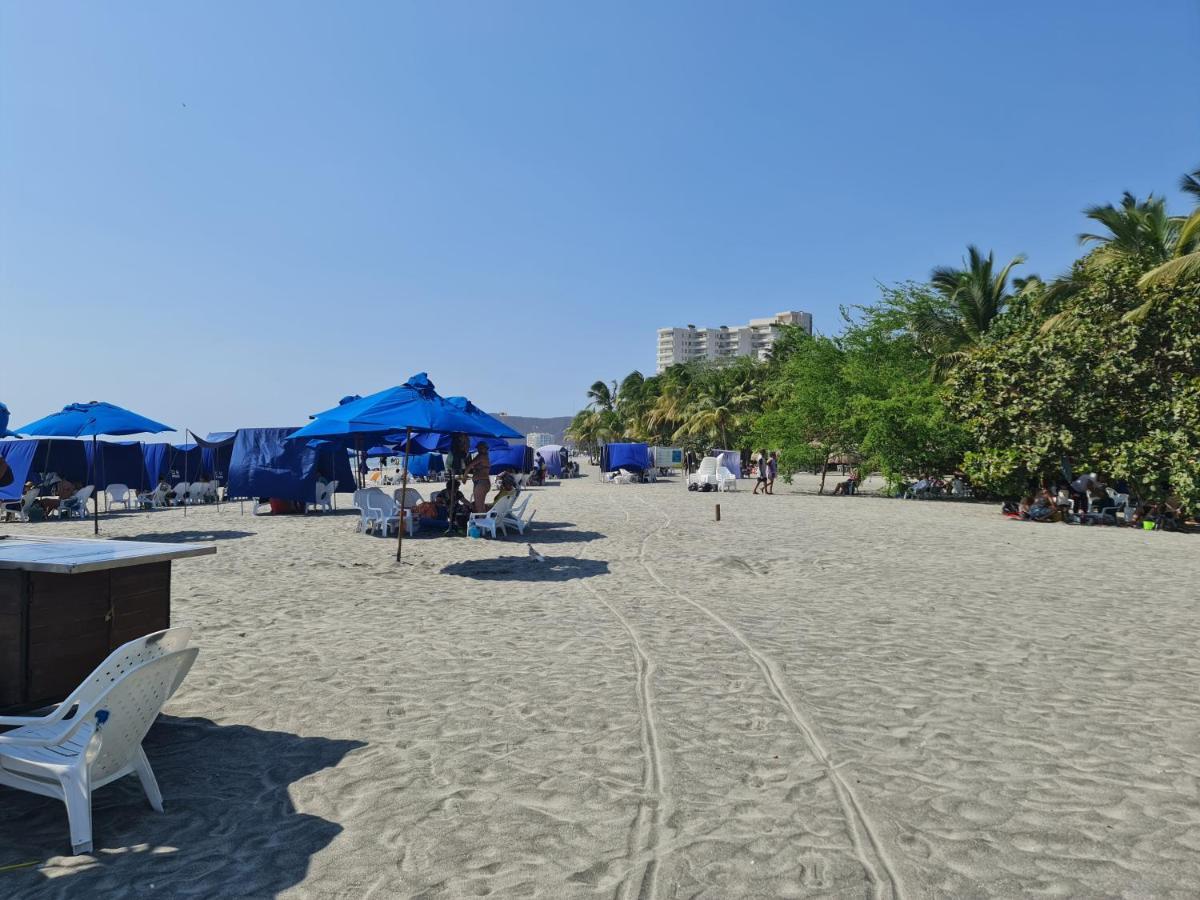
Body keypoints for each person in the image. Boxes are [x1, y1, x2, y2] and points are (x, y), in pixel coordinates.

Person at [463, 441, 491, 513]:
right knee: (480, 505)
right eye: (478, 448)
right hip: (483, 482)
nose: (479, 450)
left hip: (481, 482)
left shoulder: (481, 456)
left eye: (480, 448)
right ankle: (483, 521)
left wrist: (464, 477)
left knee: (479, 506)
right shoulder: (485, 456)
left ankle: (483, 522)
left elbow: (469, 466)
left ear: (484, 449)